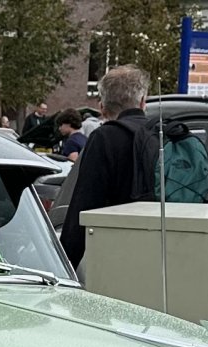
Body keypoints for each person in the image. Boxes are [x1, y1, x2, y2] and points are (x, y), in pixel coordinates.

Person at [60, 66, 149, 268]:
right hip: (164, 252)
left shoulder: (105, 138)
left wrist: (65, 265)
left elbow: (85, 202)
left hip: (118, 254)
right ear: (143, 101)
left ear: (102, 107)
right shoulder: (162, 135)